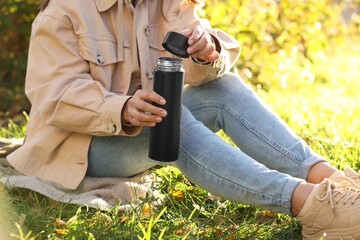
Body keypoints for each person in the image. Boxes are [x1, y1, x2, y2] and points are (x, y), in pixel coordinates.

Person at [7, 0, 360, 238]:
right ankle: (310, 206)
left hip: (146, 126)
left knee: (225, 87)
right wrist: (122, 107)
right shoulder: (64, 11)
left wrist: (207, 52)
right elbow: (53, 95)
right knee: (170, 119)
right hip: (78, 148)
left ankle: (335, 184)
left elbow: (203, 74)